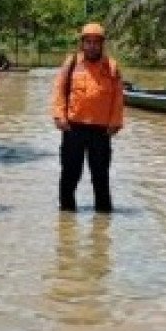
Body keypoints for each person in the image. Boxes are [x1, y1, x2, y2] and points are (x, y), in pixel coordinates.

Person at [52, 22, 124, 213]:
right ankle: (66, 217)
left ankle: (103, 219)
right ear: (82, 44)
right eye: (88, 42)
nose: (92, 46)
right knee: (70, 173)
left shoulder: (112, 67)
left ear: (102, 44)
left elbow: (118, 97)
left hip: (101, 130)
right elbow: (59, 89)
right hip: (73, 127)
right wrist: (59, 116)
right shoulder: (72, 63)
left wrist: (116, 122)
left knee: (101, 176)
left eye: (96, 42)